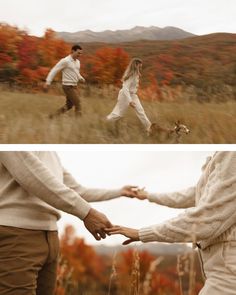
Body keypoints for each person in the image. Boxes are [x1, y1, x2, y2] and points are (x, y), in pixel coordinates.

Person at [0, 151, 139, 295]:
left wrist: (118, 192)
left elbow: (76, 190)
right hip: (16, 234)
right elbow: (31, 174)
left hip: (51, 237)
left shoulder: (52, 154)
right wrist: (87, 213)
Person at [106, 151, 236, 295]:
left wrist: (141, 233)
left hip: (228, 269)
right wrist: (149, 196)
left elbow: (206, 219)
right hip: (221, 266)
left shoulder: (231, 155)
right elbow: (194, 194)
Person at [106, 58, 152, 134]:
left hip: (133, 95)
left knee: (141, 111)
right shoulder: (131, 75)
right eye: (139, 67)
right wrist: (130, 101)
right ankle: (105, 122)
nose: (140, 68)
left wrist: (132, 99)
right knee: (118, 114)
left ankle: (150, 129)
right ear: (135, 65)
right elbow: (125, 89)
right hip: (125, 96)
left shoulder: (136, 74)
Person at [44, 44, 85, 118]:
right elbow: (54, 70)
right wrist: (48, 82)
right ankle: (79, 123)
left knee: (69, 105)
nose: (80, 55)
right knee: (78, 103)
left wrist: (80, 78)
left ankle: (52, 116)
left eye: (81, 53)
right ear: (73, 51)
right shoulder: (65, 61)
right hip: (67, 86)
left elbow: (76, 72)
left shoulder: (78, 62)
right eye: (78, 53)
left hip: (75, 86)